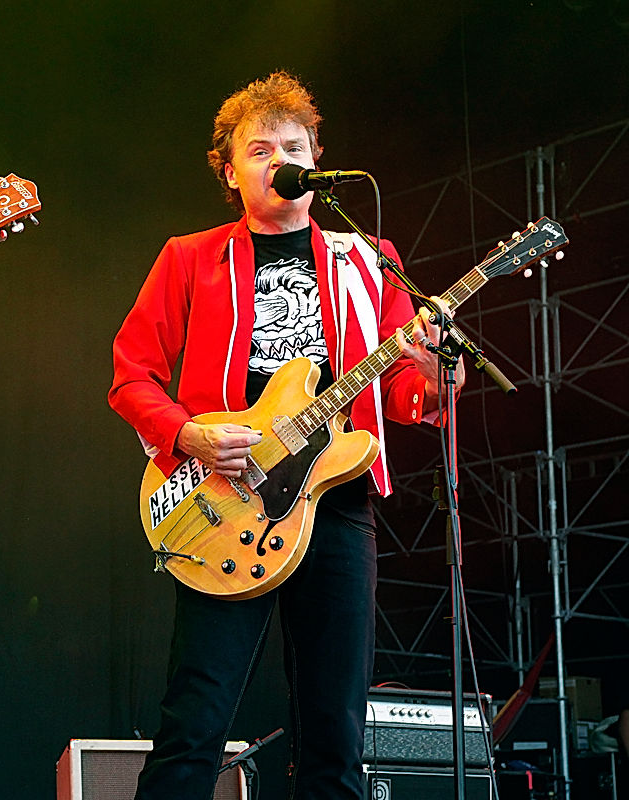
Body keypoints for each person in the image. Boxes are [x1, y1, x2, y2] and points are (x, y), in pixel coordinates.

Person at [108, 71, 464, 799]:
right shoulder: (190, 257)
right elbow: (131, 377)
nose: (280, 160)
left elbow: (402, 395)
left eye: (294, 146)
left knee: (336, 732)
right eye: (260, 149)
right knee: (195, 722)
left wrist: (438, 375)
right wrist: (191, 436)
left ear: (317, 160)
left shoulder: (368, 258)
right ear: (230, 172)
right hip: (227, 497)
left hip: (335, 502)